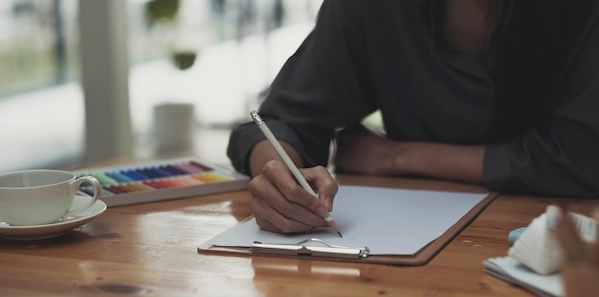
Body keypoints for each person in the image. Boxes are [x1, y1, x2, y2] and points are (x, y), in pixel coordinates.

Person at [227, 0, 599, 234]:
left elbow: (582, 159)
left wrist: (398, 156)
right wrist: (281, 181)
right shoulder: (373, 9)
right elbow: (280, 123)